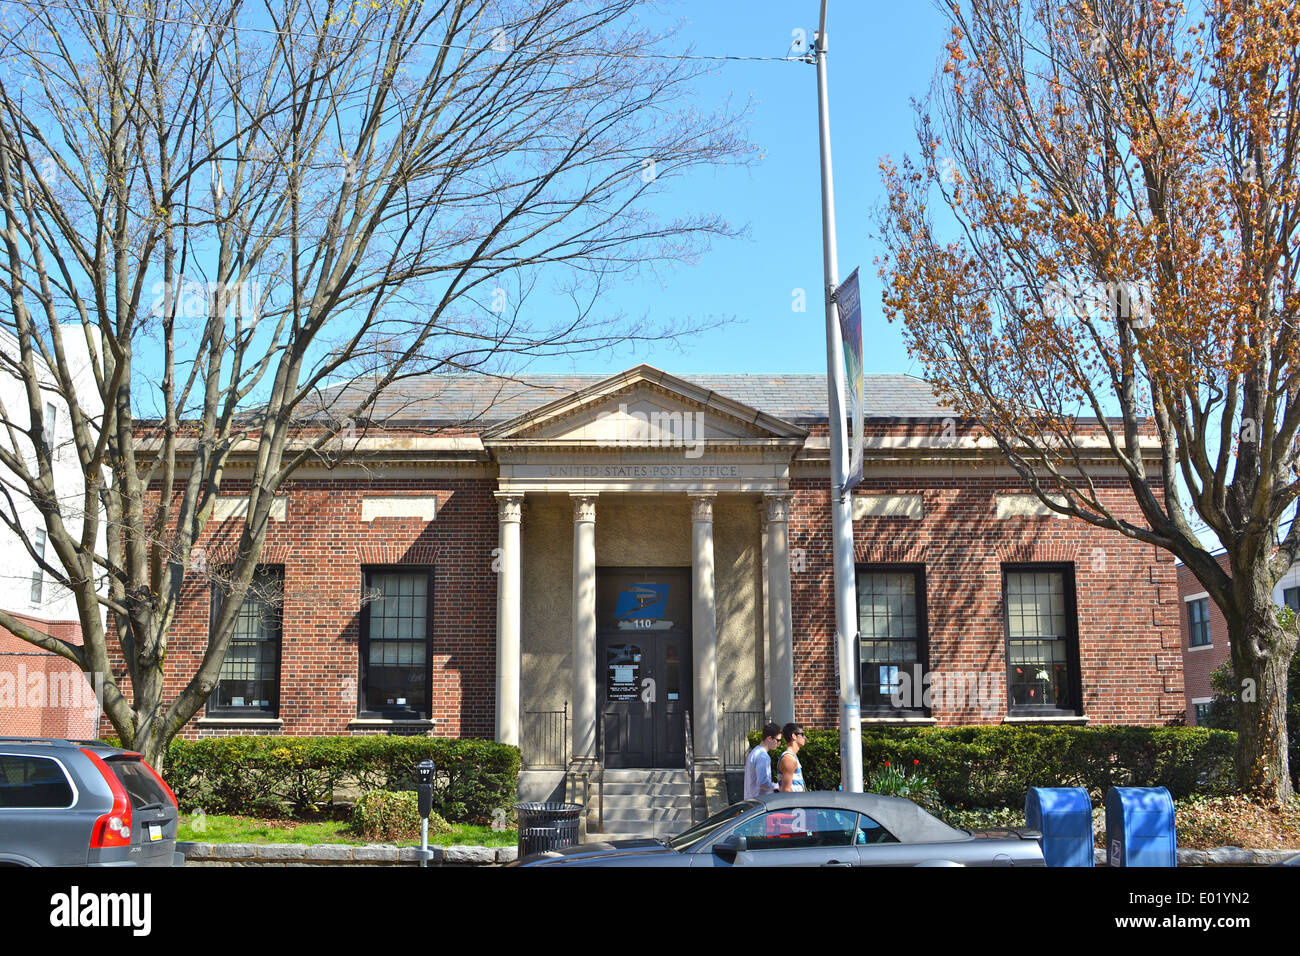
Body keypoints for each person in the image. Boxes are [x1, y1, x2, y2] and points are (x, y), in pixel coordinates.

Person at [743, 721, 782, 800]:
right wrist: (776, 786)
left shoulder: (755, 751)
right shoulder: (763, 756)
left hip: (752, 800)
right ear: (769, 739)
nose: (779, 744)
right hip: (759, 802)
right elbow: (762, 782)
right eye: (777, 740)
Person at [778, 722, 806, 792]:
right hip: (793, 802)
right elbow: (786, 790)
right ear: (794, 736)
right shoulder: (789, 759)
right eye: (802, 734)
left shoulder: (793, 756)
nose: (804, 737)